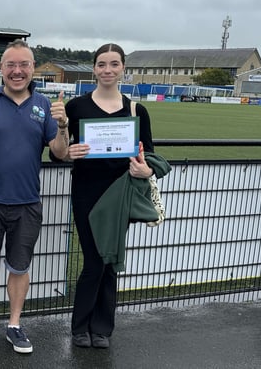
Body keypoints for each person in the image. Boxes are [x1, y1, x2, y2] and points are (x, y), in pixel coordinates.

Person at [0, 39, 69, 358]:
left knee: (19, 268)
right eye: (11, 65)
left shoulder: (45, 106)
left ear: (32, 68)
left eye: (24, 65)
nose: (17, 71)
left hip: (27, 202)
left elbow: (60, 152)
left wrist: (62, 126)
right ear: (2, 69)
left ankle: (14, 325)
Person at [52, 43, 154, 349]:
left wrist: (144, 170)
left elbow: (148, 155)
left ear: (123, 68)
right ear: (94, 68)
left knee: (110, 262)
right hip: (86, 192)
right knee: (96, 260)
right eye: (101, 64)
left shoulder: (137, 110)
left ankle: (102, 328)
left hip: (120, 194)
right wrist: (68, 151)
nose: (107, 70)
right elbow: (57, 154)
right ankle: (81, 326)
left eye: (113, 64)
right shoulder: (76, 107)